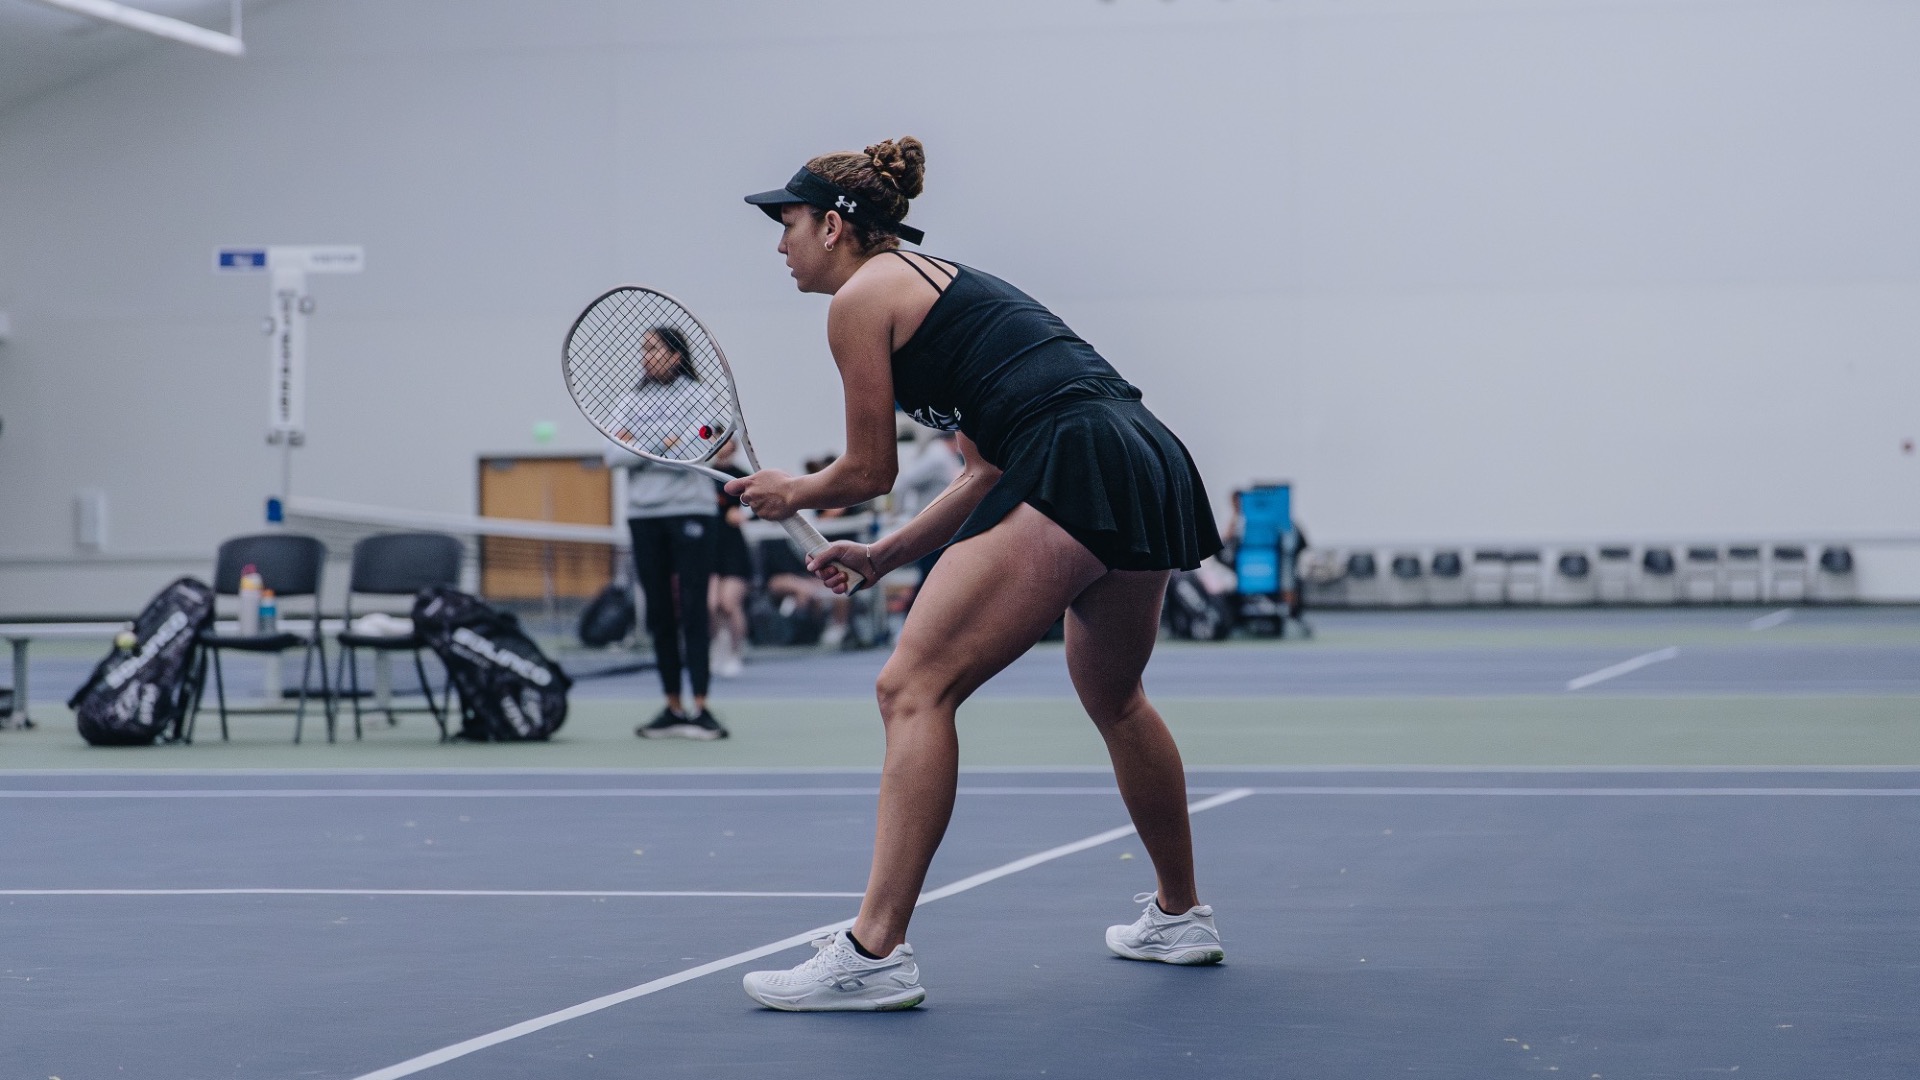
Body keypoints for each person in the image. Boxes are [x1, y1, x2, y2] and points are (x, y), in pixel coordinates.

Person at [729, 138, 1224, 1011]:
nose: (780, 244)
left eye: (790, 223)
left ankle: (874, 952)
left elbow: (868, 470)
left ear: (836, 226)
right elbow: (986, 473)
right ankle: (1181, 915)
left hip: (1078, 453)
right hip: (1143, 451)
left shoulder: (860, 300)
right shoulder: (938, 288)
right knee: (1115, 696)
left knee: (912, 687)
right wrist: (881, 558)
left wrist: (792, 490)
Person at [605, 325, 729, 740]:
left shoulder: (700, 395)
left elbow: (701, 442)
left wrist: (639, 444)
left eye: (653, 348)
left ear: (676, 356)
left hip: (692, 511)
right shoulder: (629, 399)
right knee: (658, 613)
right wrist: (666, 441)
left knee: (695, 609)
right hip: (644, 516)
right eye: (642, 348)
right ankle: (673, 706)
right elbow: (611, 454)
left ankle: (702, 708)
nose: (645, 355)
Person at [708, 439, 751, 678]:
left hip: (733, 550)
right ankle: (717, 648)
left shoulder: (741, 477)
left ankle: (736, 653)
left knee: (729, 604)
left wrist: (743, 514)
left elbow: (758, 508)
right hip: (708, 549)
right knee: (710, 605)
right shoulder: (703, 475)